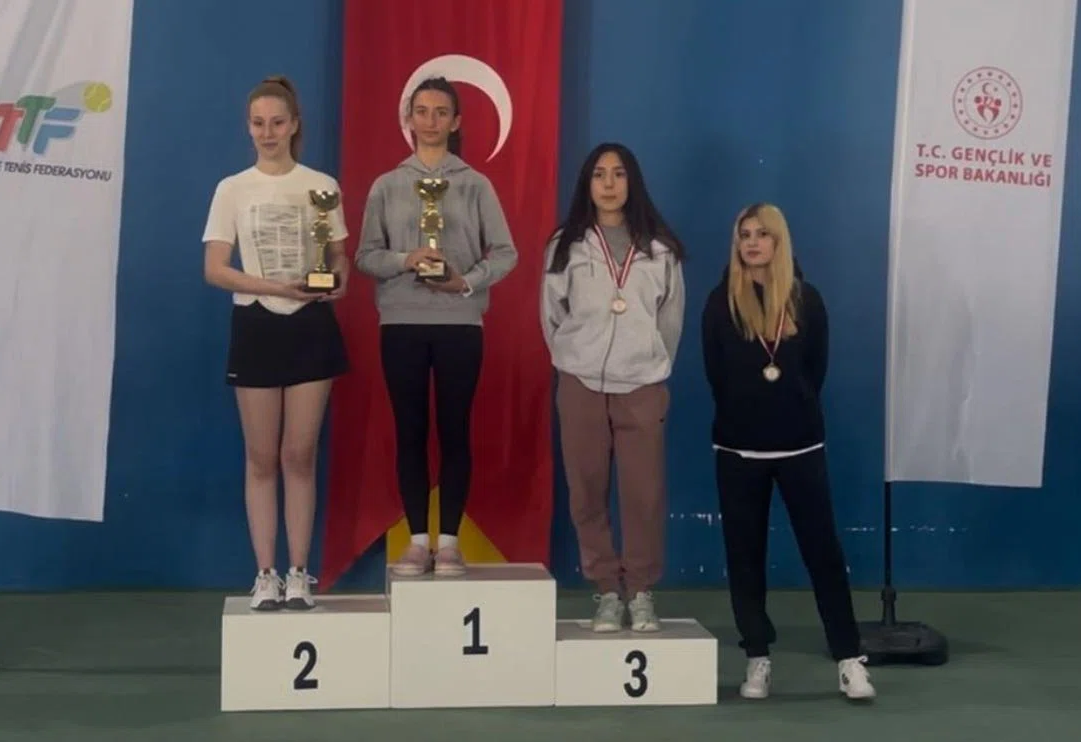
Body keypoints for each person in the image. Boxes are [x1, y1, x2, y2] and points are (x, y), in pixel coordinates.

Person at [700, 202, 876, 700]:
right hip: (738, 450)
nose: (752, 243)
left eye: (762, 234)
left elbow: (815, 370)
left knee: (823, 554)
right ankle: (757, 658)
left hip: (800, 446)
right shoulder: (721, 303)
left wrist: (791, 408)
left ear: (779, 242)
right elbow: (715, 373)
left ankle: (849, 660)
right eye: (744, 235)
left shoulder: (806, 300)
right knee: (745, 558)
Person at [354, 76, 518, 577]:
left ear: (456, 121)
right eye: (421, 111)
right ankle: (416, 540)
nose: (430, 121)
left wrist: (465, 282)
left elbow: (506, 253)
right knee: (409, 430)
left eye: (441, 112)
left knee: (454, 429)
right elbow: (365, 256)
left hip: (459, 324)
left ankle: (448, 542)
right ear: (408, 118)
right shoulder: (386, 185)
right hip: (401, 322)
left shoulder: (475, 185)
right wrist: (405, 259)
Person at [201, 75, 350, 611]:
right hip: (257, 324)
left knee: (299, 455)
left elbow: (337, 258)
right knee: (262, 458)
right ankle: (264, 573)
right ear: (249, 127)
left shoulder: (321, 185)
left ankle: (299, 572)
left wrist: (336, 280)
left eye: (277, 123)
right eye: (259, 123)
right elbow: (215, 268)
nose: (268, 132)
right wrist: (273, 287)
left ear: (294, 125)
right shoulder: (232, 189)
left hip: (310, 327)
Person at [540, 143, 686, 632]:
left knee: (644, 494)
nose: (608, 184)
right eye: (599, 174)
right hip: (580, 382)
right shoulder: (566, 244)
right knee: (586, 491)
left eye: (618, 174)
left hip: (641, 384)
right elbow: (551, 315)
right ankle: (605, 589)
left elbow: (670, 321)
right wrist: (573, 359)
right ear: (587, 183)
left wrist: (650, 362)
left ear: (632, 182)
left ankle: (640, 591)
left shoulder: (660, 248)